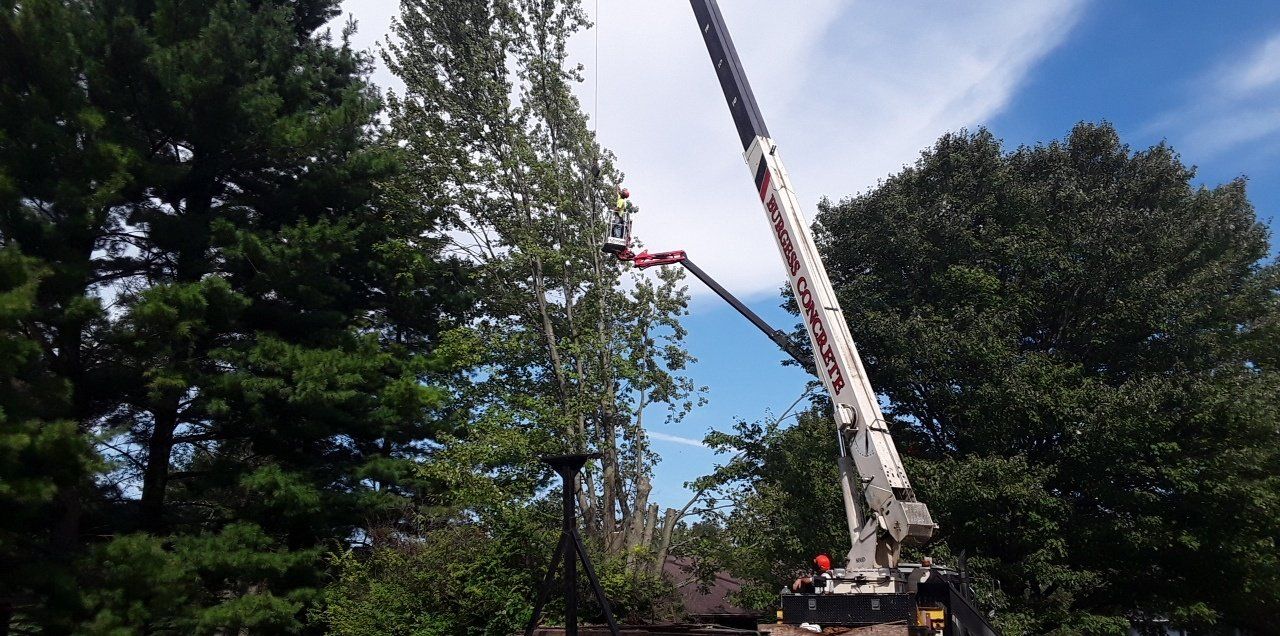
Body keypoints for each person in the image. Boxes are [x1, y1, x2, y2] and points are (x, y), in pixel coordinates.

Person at [602, 187, 635, 254]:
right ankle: (615, 236)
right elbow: (618, 192)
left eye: (623, 192)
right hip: (618, 215)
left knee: (617, 226)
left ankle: (617, 238)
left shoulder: (621, 201)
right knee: (615, 226)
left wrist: (612, 209)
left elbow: (618, 209)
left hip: (619, 215)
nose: (621, 192)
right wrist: (618, 186)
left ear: (623, 195)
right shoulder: (620, 198)